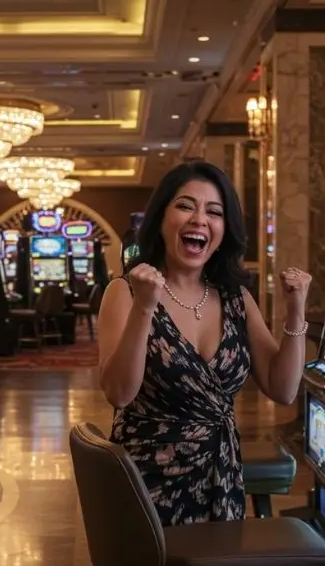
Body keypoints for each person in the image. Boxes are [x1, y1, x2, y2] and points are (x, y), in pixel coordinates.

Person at [97, 160, 311, 526]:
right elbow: (119, 393)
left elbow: (283, 388)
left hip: (221, 475)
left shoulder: (236, 298)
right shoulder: (125, 292)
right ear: (161, 220)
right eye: (185, 206)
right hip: (147, 483)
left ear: (224, 231)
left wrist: (295, 310)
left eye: (214, 212)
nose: (199, 219)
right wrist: (146, 307)